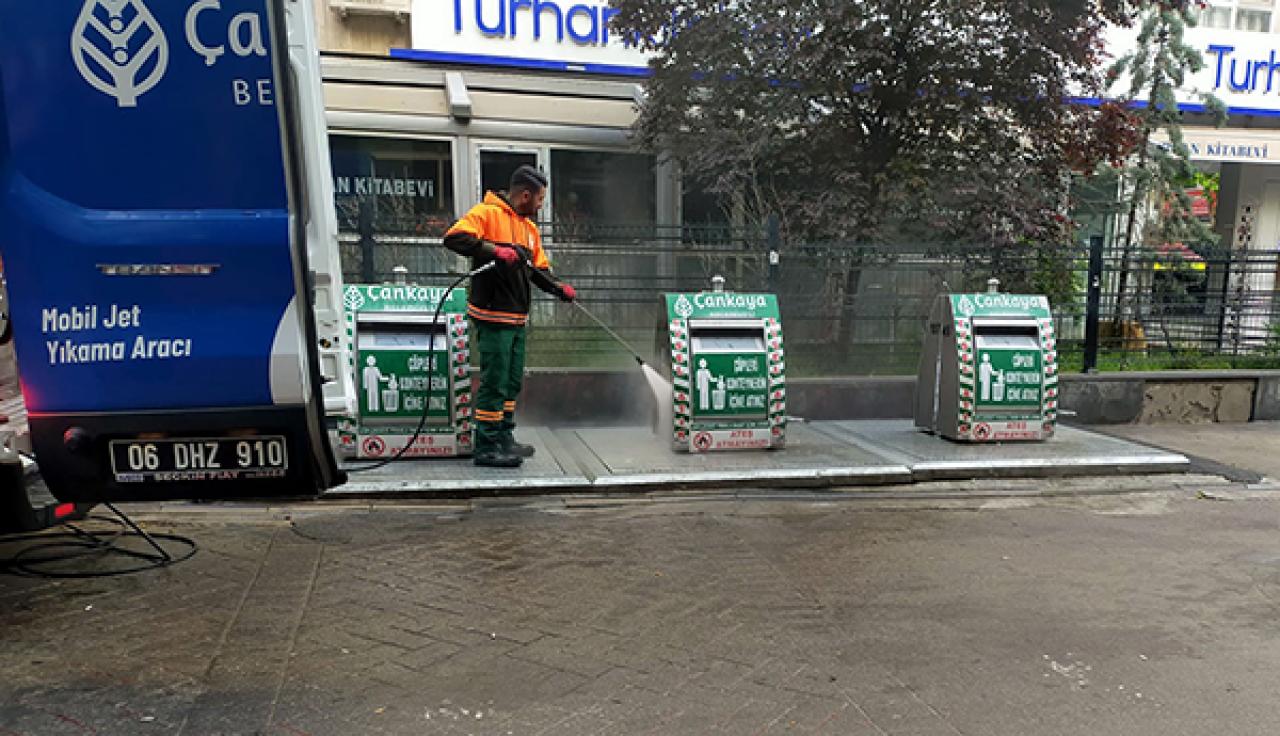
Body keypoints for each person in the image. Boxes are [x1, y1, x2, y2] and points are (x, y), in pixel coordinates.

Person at [443, 165, 576, 468]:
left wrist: (559, 288)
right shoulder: (486, 214)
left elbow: (537, 270)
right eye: (540, 199)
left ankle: (504, 436)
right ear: (525, 195)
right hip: (492, 316)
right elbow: (454, 238)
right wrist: (494, 250)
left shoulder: (529, 230)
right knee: (495, 381)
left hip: (516, 318)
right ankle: (486, 445)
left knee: (512, 381)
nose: (541, 206)